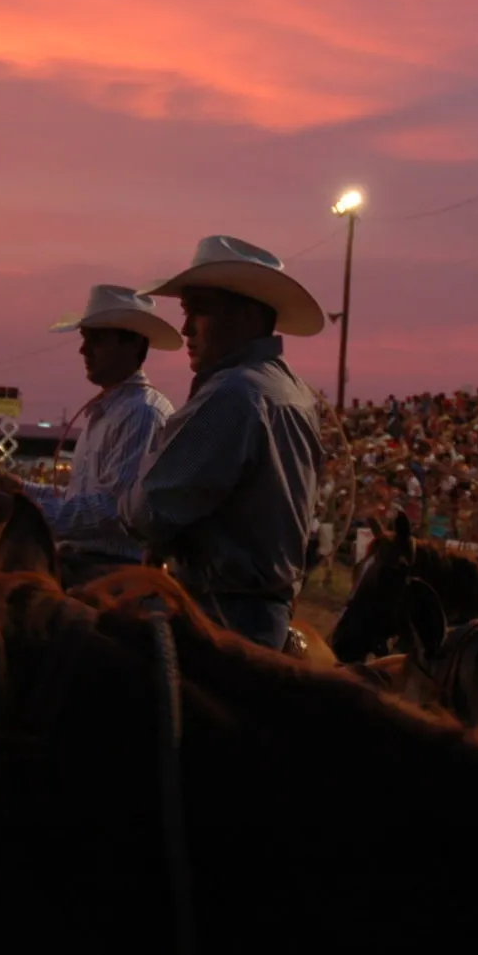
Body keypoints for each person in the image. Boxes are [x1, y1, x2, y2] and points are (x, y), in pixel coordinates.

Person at [120, 237, 325, 650]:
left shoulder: (233, 395)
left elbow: (150, 512)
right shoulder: (296, 393)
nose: (185, 328)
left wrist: (128, 497)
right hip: (268, 613)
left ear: (247, 316)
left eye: (199, 311)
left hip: (219, 616)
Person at [0, 285, 178, 587]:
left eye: (97, 339)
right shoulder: (110, 411)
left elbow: (113, 513)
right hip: (84, 566)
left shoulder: (142, 413)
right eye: (85, 338)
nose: (84, 349)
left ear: (132, 344)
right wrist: (22, 491)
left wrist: (17, 510)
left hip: (112, 576)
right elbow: (85, 501)